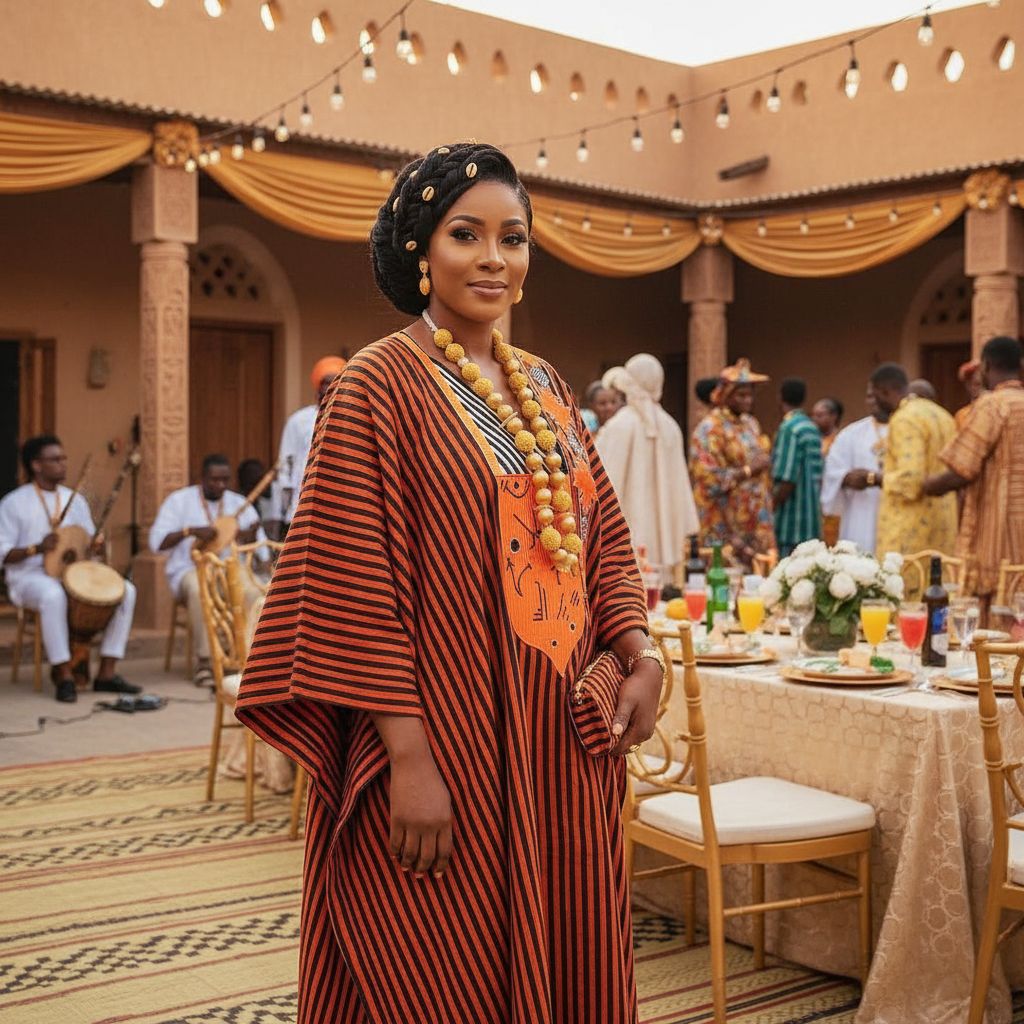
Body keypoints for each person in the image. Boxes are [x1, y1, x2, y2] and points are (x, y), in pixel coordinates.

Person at [234, 142, 661, 1024]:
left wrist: (638, 647)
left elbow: (600, 532)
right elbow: (351, 579)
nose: (494, 258)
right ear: (421, 251)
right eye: (466, 235)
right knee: (433, 962)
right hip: (447, 734)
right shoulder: (375, 388)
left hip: (560, 740)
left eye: (514, 238)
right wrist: (410, 759)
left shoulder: (543, 385)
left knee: (567, 946)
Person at [0, 435, 138, 702]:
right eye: (55, 460)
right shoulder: (14, 503)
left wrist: (94, 546)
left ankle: (107, 673)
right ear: (36, 465)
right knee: (54, 596)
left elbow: (85, 542)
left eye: (64, 459)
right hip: (30, 577)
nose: (63, 464)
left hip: (73, 574)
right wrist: (36, 549)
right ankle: (64, 674)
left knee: (127, 591)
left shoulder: (75, 500)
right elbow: (2, 553)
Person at [149, 453, 266, 686]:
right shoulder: (179, 501)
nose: (220, 485)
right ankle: (206, 663)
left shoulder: (238, 504)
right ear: (201, 478)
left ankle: (250, 660)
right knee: (199, 588)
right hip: (189, 569)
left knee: (254, 592)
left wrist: (247, 538)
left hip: (231, 569)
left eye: (225, 480)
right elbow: (157, 543)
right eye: (214, 480)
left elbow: (261, 554)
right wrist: (190, 531)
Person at [924, 336, 1024, 602]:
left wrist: (924, 486)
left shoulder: (992, 405)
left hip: (998, 528)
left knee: (992, 607)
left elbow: (962, 469)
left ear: (986, 366)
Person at [595, 353, 699, 582]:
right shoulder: (670, 426)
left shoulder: (620, 424)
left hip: (625, 542)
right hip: (664, 541)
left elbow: (601, 483)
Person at [690, 359, 776, 566]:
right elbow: (708, 479)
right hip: (726, 524)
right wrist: (748, 470)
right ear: (726, 396)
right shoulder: (710, 429)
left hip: (756, 521)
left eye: (750, 395)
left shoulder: (750, 424)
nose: (748, 400)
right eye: (741, 395)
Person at [869, 363, 956, 560]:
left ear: (883, 391)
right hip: (943, 521)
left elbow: (911, 479)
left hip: (910, 527)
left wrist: (873, 478)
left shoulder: (904, 418)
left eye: (874, 395)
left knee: (905, 588)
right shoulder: (944, 416)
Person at [273, 357, 347, 535]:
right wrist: (282, 511)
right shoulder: (299, 421)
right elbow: (285, 465)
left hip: (340, 500)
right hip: (303, 501)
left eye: (335, 382)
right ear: (317, 387)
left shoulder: (352, 418)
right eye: (325, 383)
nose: (329, 387)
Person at [820, 387, 890, 553]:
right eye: (869, 396)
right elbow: (832, 473)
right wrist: (846, 478)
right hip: (860, 513)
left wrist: (875, 478)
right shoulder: (851, 433)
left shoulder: (907, 431)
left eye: (878, 395)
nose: (873, 401)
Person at [772, 378, 824, 556]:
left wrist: (770, 506)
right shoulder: (811, 427)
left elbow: (787, 478)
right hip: (811, 521)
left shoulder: (789, 428)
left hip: (791, 524)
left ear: (780, 398)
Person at [954, 358, 985, 429]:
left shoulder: (1000, 411)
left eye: (985, 384)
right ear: (967, 385)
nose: (983, 389)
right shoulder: (962, 415)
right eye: (976, 384)